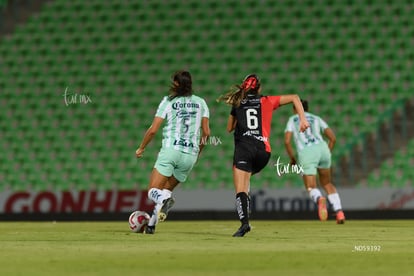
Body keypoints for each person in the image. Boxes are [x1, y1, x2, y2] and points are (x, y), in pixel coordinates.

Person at [217, 74, 310, 237]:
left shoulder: (238, 103)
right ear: (259, 88)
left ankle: (244, 223)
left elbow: (229, 128)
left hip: (244, 149)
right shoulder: (267, 100)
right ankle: (247, 206)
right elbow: (295, 97)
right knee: (246, 181)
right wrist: (302, 120)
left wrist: (238, 112)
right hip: (263, 153)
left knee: (241, 188)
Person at [135, 70, 210, 234]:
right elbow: (206, 133)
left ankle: (166, 201)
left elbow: (153, 130)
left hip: (171, 150)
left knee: (153, 191)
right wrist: (198, 152)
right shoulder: (201, 103)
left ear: (176, 84)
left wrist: (142, 147)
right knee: (165, 191)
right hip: (190, 154)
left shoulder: (168, 101)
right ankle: (151, 226)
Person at [284, 100, 345, 224]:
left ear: (295, 109)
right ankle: (339, 212)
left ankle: (319, 199)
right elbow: (333, 138)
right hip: (323, 149)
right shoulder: (316, 118)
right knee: (327, 183)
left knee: (311, 187)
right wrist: (326, 153)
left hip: (306, 152)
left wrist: (292, 159)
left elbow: (287, 141)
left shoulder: (293, 119)